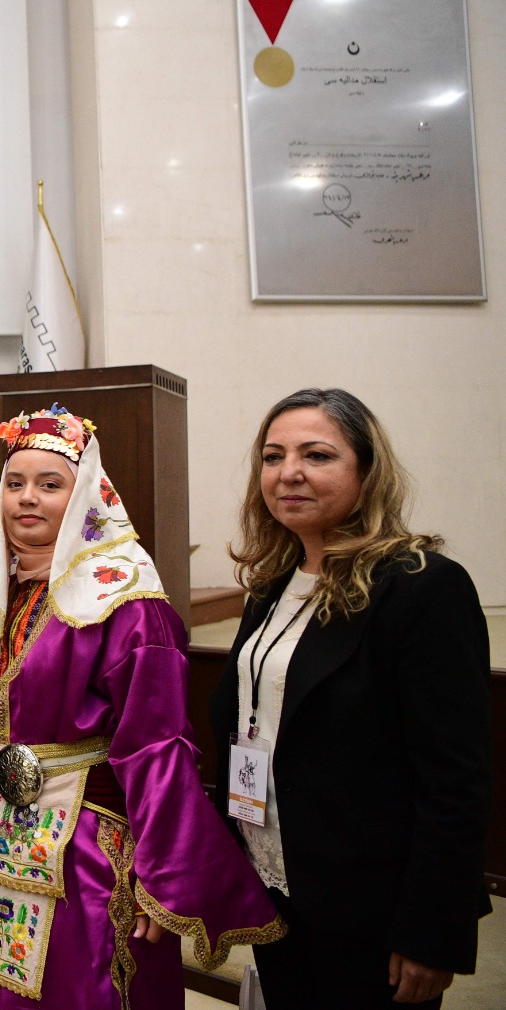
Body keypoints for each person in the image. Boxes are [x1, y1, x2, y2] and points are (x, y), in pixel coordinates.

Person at [0, 404, 282, 1009]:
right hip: (2, 845)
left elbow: (159, 745)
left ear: (85, 497)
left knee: (85, 989)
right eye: (14, 483)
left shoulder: (128, 605)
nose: (27, 499)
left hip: (91, 851)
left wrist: (161, 875)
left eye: (50, 485)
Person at [212, 388, 492, 1008]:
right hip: (276, 881)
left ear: (367, 471)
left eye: (317, 455)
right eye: (273, 455)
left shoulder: (423, 588)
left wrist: (432, 932)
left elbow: (456, 780)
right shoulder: (271, 585)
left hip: (371, 903)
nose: (289, 473)